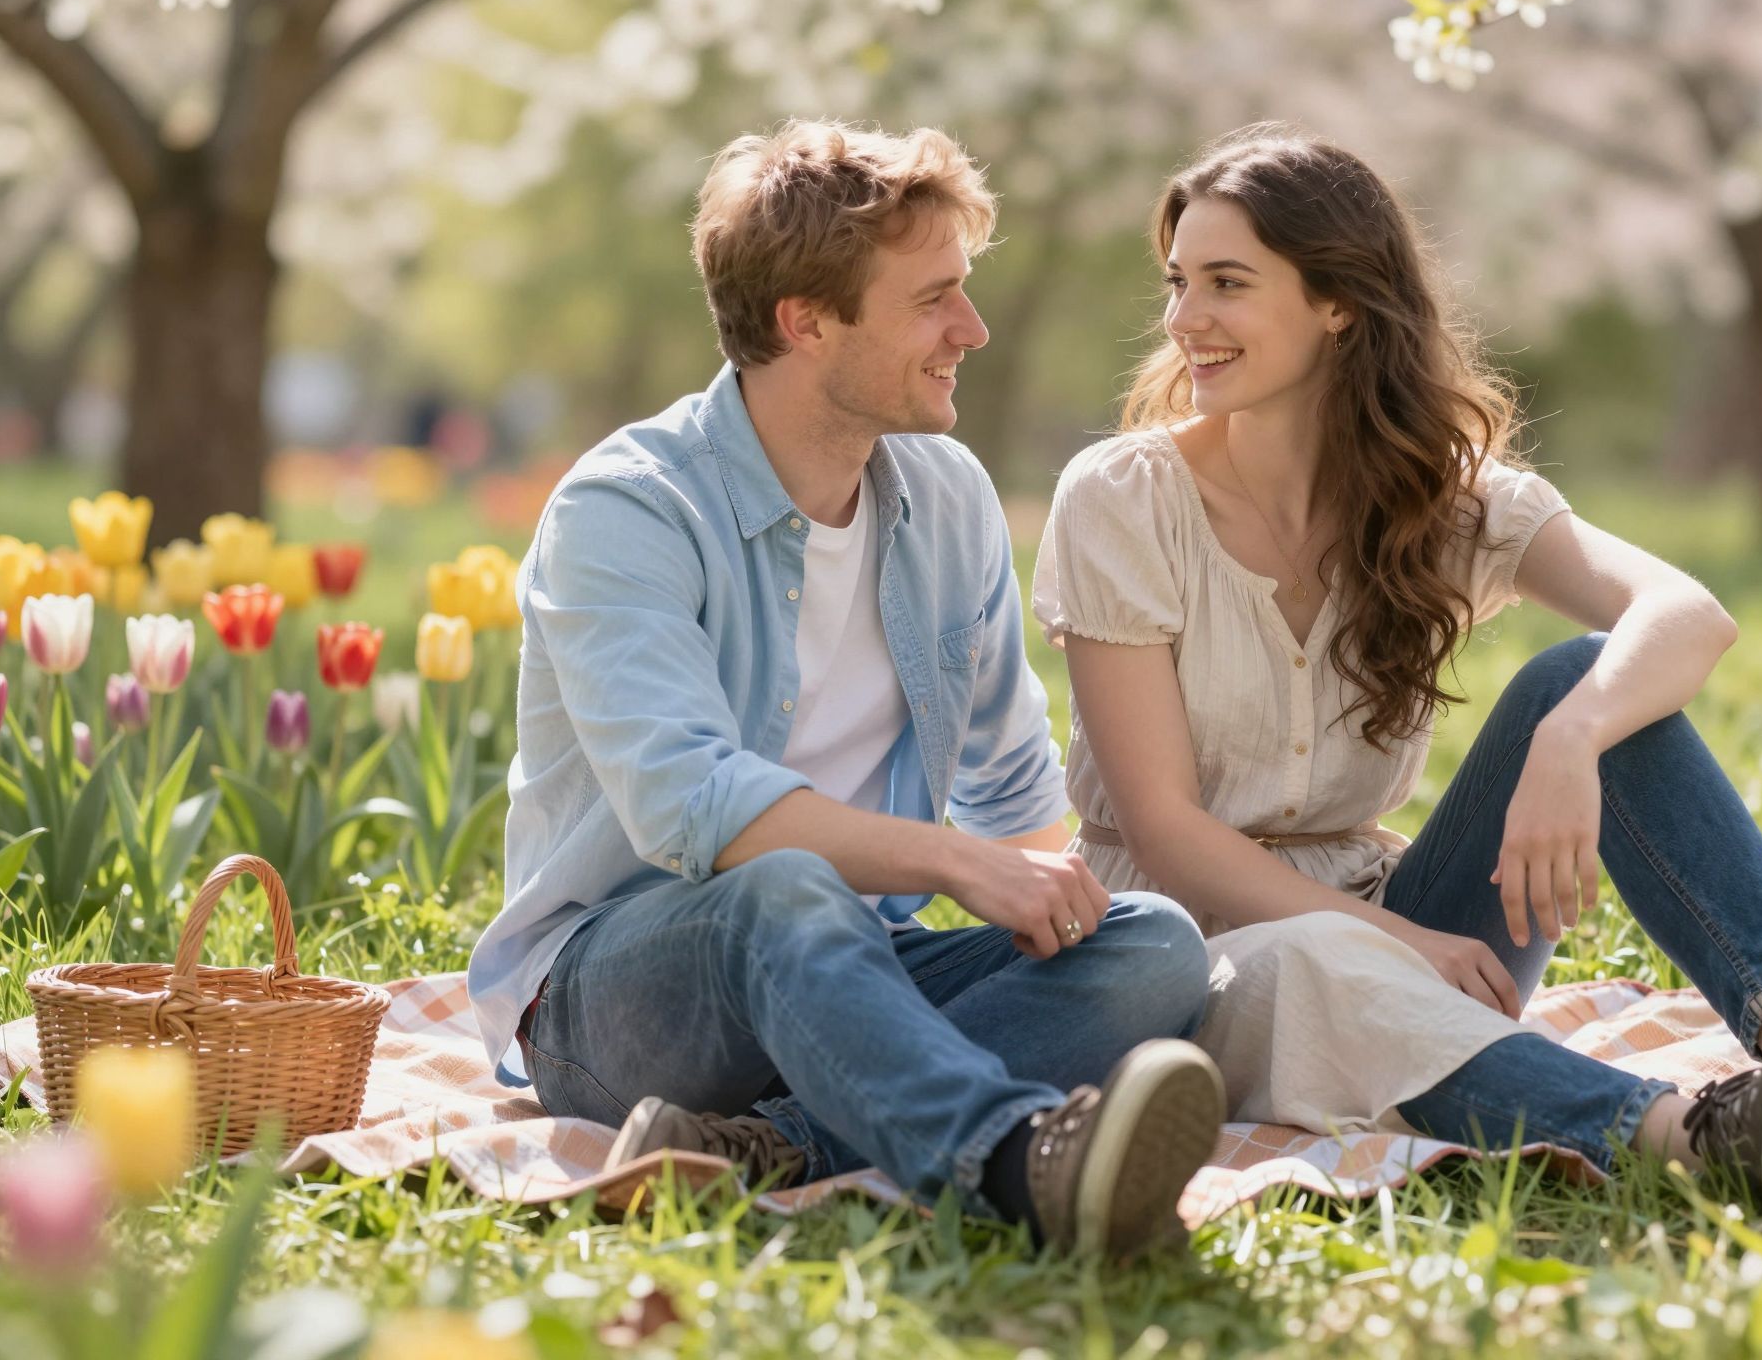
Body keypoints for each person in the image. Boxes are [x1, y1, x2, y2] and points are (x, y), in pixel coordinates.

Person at [1031, 124, 1762, 1202]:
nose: (1183, 321)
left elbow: (1683, 614)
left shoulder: (1431, 494)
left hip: (1385, 908)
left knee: (1583, 677)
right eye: (1177, 283)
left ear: (1337, 302)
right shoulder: (1122, 497)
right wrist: (1399, 939)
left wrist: (1570, 738)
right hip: (1191, 949)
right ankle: (1689, 1136)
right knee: (1321, 961)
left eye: (1226, 282)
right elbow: (1167, 835)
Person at [468, 121, 1226, 1260]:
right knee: (784, 887)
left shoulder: (946, 494)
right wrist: (957, 866)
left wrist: (1048, 903)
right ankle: (1020, 1165)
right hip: (617, 994)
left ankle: (763, 1146)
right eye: (932, 300)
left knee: (1152, 944)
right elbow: (695, 808)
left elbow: (1007, 777)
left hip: (847, 971)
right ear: (805, 320)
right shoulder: (625, 510)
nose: (968, 331)